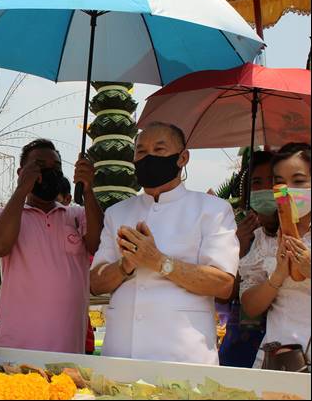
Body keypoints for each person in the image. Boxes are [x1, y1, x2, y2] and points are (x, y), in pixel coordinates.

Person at [90, 122, 239, 365]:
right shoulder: (117, 213)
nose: (148, 158)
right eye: (141, 152)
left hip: (183, 351)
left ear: (182, 158)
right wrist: (125, 265)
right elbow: (95, 283)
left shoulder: (213, 210)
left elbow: (223, 284)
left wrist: (159, 261)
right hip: (121, 350)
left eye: (159, 150)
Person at [0, 139, 103, 354]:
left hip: (67, 348)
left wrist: (88, 190)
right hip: (15, 347)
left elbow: (98, 245)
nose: (49, 172)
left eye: (56, 168)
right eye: (40, 165)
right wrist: (22, 190)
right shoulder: (4, 214)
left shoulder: (76, 215)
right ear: (21, 172)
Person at [240, 143, 311, 369]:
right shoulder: (264, 238)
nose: (288, 189)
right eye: (280, 182)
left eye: (298, 181)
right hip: (278, 356)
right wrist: (277, 277)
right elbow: (250, 308)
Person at [218, 151, 275, 367]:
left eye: (272, 181)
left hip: (287, 343)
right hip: (241, 341)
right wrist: (238, 248)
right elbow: (224, 294)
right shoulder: (236, 229)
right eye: (257, 182)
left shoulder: (299, 234)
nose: (264, 188)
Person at [56, 176, 95, 355]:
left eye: (55, 201)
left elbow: (96, 281)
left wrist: (87, 191)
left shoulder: (78, 219)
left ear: (67, 200)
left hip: (76, 335)